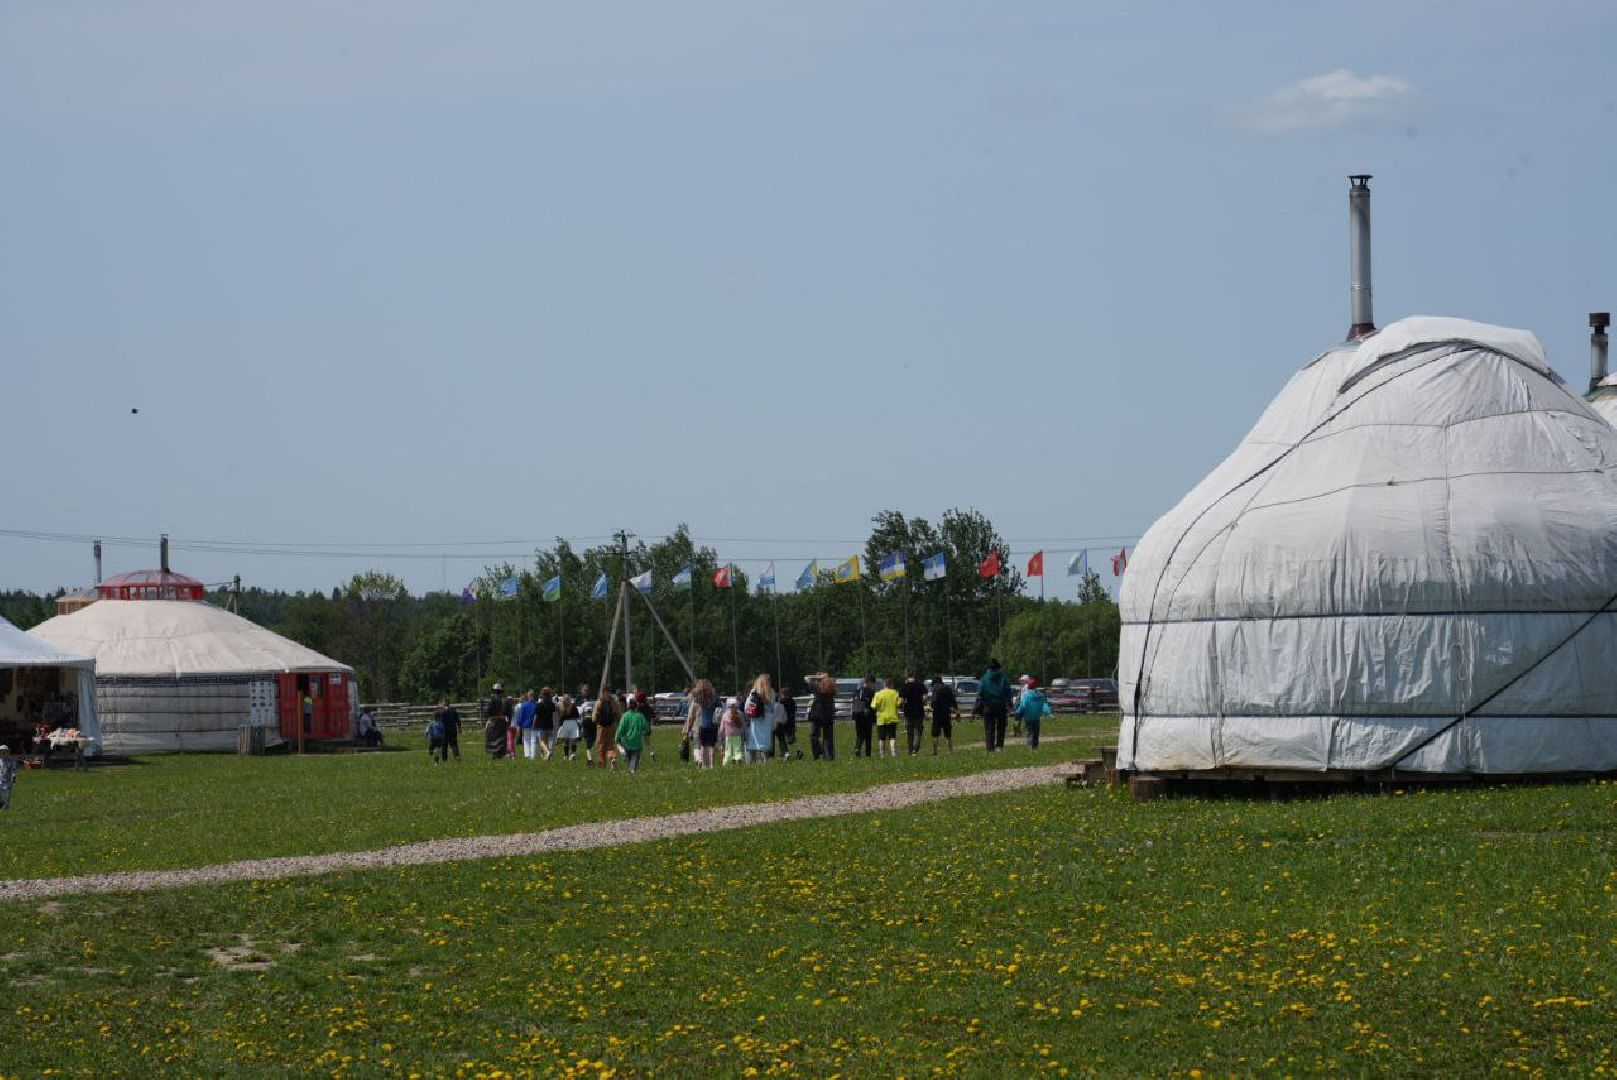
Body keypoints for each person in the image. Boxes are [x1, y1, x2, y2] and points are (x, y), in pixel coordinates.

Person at [978, 659, 1013, 752]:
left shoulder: (984, 678)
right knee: (1001, 727)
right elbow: (1008, 692)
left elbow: (980, 692)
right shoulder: (1003, 678)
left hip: (988, 705)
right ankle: (999, 747)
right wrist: (1010, 704)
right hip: (1001, 705)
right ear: (998, 668)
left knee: (989, 727)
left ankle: (990, 748)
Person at [686, 679, 720, 769]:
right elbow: (720, 708)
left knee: (703, 747)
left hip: (703, 725)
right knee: (712, 746)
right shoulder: (715, 698)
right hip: (713, 724)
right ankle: (712, 765)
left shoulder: (700, 698)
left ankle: (705, 765)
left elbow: (693, 694)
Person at [744, 675, 775, 764]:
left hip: (755, 718)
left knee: (754, 741)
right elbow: (772, 706)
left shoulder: (753, 692)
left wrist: (747, 717)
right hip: (766, 718)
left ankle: (752, 762)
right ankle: (765, 761)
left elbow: (747, 706)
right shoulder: (771, 692)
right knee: (764, 740)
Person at [1015, 677, 1052, 749]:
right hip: (1037, 717)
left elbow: (1023, 706)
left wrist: (1017, 712)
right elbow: (1044, 705)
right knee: (1036, 732)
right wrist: (1049, 713)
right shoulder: (1040, 695)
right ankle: (1035, 746)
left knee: (1030, 732)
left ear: (1028, 686)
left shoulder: (1027, 696)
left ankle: (1030, 746)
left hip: (1028, 717)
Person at [616, 697, 651, 774]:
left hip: (626, 741)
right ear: (636, 706)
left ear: (628, 706)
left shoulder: (625, 716)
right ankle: (632, 770)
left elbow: (621, 728)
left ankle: (630, 767)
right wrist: (645, 731)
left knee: (630, 759)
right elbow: (647, 728)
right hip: (637, 742)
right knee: (634, 758)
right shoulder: (640, 716)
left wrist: (617, 738)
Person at [807, 675, 837, 761]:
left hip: (817, 714)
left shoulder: (817, 688)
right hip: (828, 715)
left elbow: (809, 683)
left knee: (814, 735)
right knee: (828, 737)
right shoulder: (831, 689)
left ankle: (816, 753)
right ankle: (828, 755)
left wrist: (815, 677)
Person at [898, 670, 928, 756]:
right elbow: (925, 697)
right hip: (919, 711)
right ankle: (915, 749)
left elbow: (902, 700)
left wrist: (901, 706)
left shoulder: (904, 686)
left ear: (906, 676)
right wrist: (922, 702)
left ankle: (910, 751)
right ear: (914, 675)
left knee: (910, 733)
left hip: (908, 712)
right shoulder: (920, 685)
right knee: (918, 732)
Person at [871, 677, 901, 758]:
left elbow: (873, 706)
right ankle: (893, 752)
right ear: (891, 684)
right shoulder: (895, 693)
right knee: (892, 737)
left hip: (881, 719)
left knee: (881, 737)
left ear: (884, 684)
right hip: (892, 718)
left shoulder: (878, 694)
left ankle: (882, 754)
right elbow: (899, 704)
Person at [592, 685, 620, 770]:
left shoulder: (599, 701)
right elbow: (618, 714)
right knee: (610, 745)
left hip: (601, 727)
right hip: (611, 726)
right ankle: (612, 759)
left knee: (601, 747)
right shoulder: (613, 701)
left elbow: (594, 717)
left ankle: (601, 766)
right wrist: (617, 722)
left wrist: (596, 722)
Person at [929, 675, 958, 754]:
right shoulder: (948, 689)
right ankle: (951, 751)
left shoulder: (935, 689)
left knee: (935, 734)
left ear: (935, 682)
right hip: (946, 714)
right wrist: (957, 712)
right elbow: (953, 701)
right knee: (948, 735)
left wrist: (932, 706)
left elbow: (933, 702)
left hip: (937, 714)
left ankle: (935, 752)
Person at [850, 675, 877, 758]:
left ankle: (857, 748)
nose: (873, 686)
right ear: (869, 683)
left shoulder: (856, 691)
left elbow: (853, 701)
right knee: (868, 735)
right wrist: (874, 719)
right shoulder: (871, 692)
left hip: (857, 715)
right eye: (873, 684)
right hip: (867, 716)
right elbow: (873, 706)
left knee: (859, 734)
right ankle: (867, 754)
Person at [484, 684, 511, 759]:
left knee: (492, 738)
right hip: (502, 722)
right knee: (501, 738)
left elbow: (487, 712)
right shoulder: (505, 701)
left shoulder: (491, 700)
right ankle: (499, 754)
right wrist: (508, 723)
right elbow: (509, 713)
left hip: (493, 721)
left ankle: (494, 753)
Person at [719, 696, 747, 765]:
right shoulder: (740, 714)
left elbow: (722, 728)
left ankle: (727, 763)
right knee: (737, 749)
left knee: (728, 749)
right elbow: (743, 725)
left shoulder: (725, 715)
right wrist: (743, 732)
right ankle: (738, 761)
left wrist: (721, 734)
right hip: (737, 735)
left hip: (728, 735)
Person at [773, 685, 798, 760]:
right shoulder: (792, 701)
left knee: (782, 738)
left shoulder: (782, 702)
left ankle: (784, 752)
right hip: (791, 721)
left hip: (783, 721)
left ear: (782, 694)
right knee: (788, 737)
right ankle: (788, 749)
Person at [555, 694, 582, 761]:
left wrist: (559, 726)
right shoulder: (573, 706)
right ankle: (573, 754)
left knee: (566, 741)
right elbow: (577, 716)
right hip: (573, 723)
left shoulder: (560, 706)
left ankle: (566, 756)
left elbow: (560, 717)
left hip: (565, 724)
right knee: (573, 740)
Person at [514, 690, 539, 760]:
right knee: (533, 740)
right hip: (535, 724)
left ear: (528, 696)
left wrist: (519, 724)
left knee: (526, 740)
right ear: (534, 695)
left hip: (526, 724)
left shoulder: (524, 704)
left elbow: (521, 715)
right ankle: (533, 756)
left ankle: (527, 755)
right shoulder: (537, 705)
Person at [535, 687, 558, 761]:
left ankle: (547, 752)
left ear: (542, 694)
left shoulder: (539, 705)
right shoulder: (552, 705)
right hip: (550, 725)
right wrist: (555, 724)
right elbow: (554, 716)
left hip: (541, 725)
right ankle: (546, 756)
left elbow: (536, 716)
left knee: (541, 741)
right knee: (547, 741)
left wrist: (534, 724)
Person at [577, 684, 597, 766]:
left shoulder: (585, 703)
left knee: (588, 744)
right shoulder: (594, 701)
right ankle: (594, 758)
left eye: (582, 691)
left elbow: (580, 713)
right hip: (594, 723)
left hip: (587, 723)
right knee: (594, 742)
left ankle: (590, 760)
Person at [0, 744, 16, 810]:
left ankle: (6, 808)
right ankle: (2, 803)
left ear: (8, 752)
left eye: (5, 752)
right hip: (0, 780)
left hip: (8, 781)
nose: (3, 753)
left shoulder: (11, 761)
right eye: (1, 751)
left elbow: (13, 770)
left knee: (7, 796)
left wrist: (13, 778)